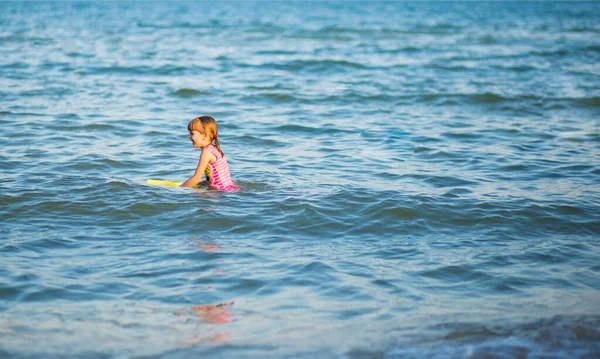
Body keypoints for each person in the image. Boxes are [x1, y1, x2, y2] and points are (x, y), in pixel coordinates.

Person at [180, 116, 236, 191]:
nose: (189, 137)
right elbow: (214, 177)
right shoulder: (214, 148)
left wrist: (178, 190)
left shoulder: (206, 152)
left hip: (220, 192)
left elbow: (196, 178)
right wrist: (200, 184)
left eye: (192, 134)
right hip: (229, 188)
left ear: (204, 135)